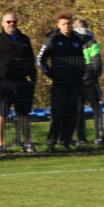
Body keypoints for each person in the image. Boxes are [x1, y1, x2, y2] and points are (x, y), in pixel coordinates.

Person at [0, 13, 37, 153]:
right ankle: (0, 144)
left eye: (14, 21)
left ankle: (27, 143)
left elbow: (31, 60)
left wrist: (33, 79)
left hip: (22, 83)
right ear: (2, 23)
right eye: (8, 21)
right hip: (4, 83)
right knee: (1, 113)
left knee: (24, 114)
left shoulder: (24, 39)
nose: (11, 24)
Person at [37, 12, 86, 150]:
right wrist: (51, 74)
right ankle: (51, 143)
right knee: (58, 113)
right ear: (58, 25)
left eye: (69, 24)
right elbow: (40, 59)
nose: (67, 26)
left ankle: (66, 141)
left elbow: (81, 59)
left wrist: (81, 73)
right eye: (64, 24)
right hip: (59, 83)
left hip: (74, 82)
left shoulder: (76, 40)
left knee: (71, 113)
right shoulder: (52, 39)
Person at [73, 18, 104, 146]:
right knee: (97, 109)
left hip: (76, 80)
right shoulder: (92, 42)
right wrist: (95, 75)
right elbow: (96, 63)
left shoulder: (72, 42)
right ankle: (99, 137)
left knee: (78, 110)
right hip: (90, 81)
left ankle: (80, 138)